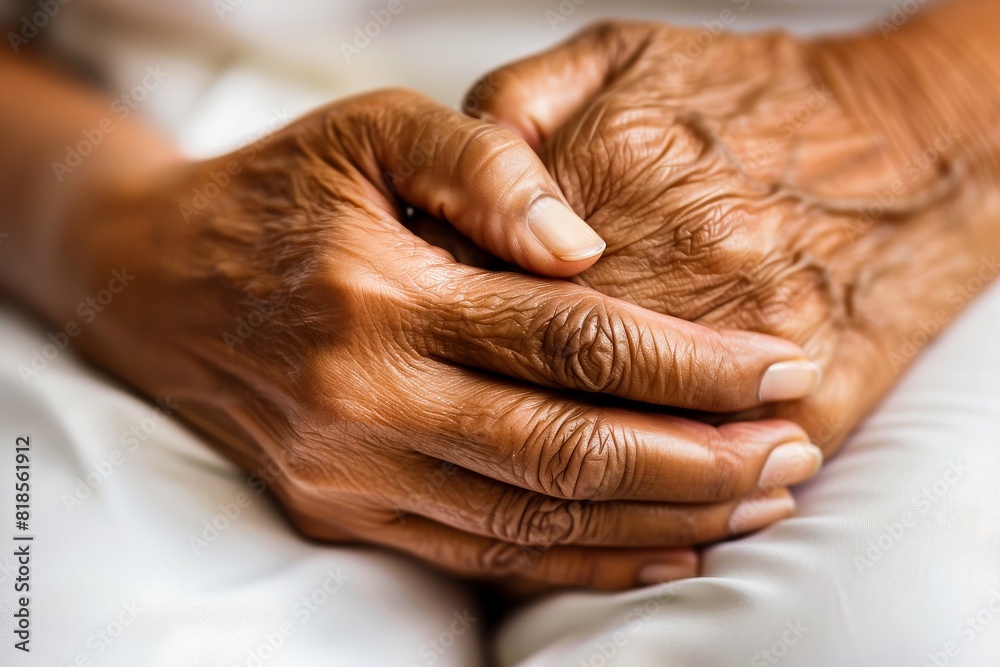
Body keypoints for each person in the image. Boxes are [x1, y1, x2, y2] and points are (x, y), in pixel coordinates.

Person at [0, 0, 997, 664]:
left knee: (898, 633)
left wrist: (918, 115)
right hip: (155, 170)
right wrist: (103, 230)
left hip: (878, 164)